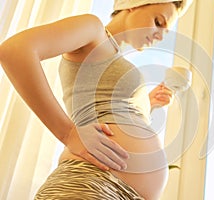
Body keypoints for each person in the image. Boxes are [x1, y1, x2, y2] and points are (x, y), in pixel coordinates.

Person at [0, 0, 192, 199]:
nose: (160, 36)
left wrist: (147, 104)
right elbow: (15, 50)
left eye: (165, 32)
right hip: (92, 182)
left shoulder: (117, 58)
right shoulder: (93, 30)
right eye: (158, 22)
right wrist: (68, 134)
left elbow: (110, 110)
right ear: (133, 4)